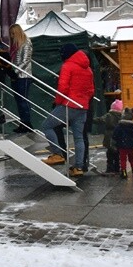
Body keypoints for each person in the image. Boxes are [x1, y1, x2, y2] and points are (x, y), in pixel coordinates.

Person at [41, 43, 94, 177]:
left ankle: (57, 153)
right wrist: (83, 101)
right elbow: (91, 90)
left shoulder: (67, 66)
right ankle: (79, 167)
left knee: (47, 126)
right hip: (83, 106)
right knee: (79, 137)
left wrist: (58, 102)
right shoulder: (88, 69)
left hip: (68, 104)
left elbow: (62, 88)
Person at [8, 24, 34, 133]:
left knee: (22, 100)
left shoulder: (26, 43)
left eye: (13, 34)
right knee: (19, 100)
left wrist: (14, 71)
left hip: (24, 76)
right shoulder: (17, 45)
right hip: (18, 75)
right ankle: (24, 122)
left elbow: (25, 60)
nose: (12, 36)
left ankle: (26, 123)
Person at [96, 99, 124, 174]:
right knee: (117, 154)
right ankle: (117, 168)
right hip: (118, 137)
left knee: (109, 154)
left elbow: (101, 120)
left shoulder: (109, 115)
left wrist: (92, 120)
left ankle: (110, 168)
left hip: (109, 136)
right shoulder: (122, 116)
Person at [113, 107, 133, 177]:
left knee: (123, 159)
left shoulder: (120, 125)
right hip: (131, 146)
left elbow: (115, 134)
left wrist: (115, 141)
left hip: (122, 145)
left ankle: (124, 172)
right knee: (131, 158)